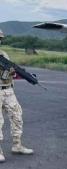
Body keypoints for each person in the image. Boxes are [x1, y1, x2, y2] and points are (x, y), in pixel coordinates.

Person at [0, 29, 33, 162]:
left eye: (0, 39)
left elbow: (9, 72)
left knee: (17, 116)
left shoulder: (3, 54)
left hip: (8, 90)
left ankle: (17, 145)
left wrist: (13, 72)